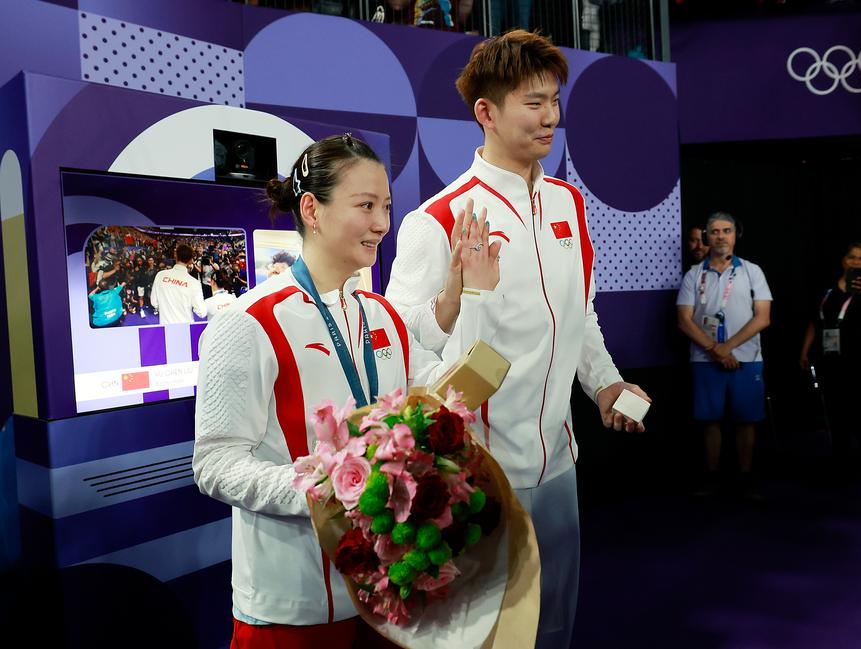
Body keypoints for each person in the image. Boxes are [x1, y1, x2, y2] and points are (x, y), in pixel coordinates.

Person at [384, 30, 649, 649]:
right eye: (534, 103)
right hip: (480, 474)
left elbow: (580, 315)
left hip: (559, 461)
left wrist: (605, 383)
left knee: (554, 626)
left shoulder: (568, 204)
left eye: (554, 101)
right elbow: (402, 345)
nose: (550, 117)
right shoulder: (438, 219)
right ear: (487, 112)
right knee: (490, 635)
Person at [193, 134, 500, 648]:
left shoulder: (381, 315)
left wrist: (476, 296)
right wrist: (328, 489)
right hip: (295, 604)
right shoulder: (249, 322)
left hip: (391, 593)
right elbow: (215, 463)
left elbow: (446, 395)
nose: (382, 223)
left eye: (386, 207)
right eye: (365, 206)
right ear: (312, 209)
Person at [676, 212, 772, 501]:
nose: (720, 236)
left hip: (747, 358)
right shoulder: (695, 274)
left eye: (726, 231)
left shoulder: (752, 271)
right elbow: (684, 320)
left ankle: (746, 477)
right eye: (715, 231)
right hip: (705, 359)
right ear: (707, 236)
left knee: (747, 420)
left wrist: (727, 347)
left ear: (735, 235)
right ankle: (712, 477)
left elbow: (763, 317)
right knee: (710, 421)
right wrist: (715, 351)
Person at [799, 241, 861, 471]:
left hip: (860, 359)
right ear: (844, 260)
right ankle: (840, 456)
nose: (856, 262)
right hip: (830, 357)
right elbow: (815, 321)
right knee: (835, 407)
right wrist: (805, 350)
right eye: (852, 257)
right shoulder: (828, 288)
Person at [150, 243, 207, 324]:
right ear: (191, 260)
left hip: (166, 326)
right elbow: (201, 312)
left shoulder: (160, 275)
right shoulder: (194, 283)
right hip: (186, 328)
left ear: (175, 255)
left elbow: (154, 302)